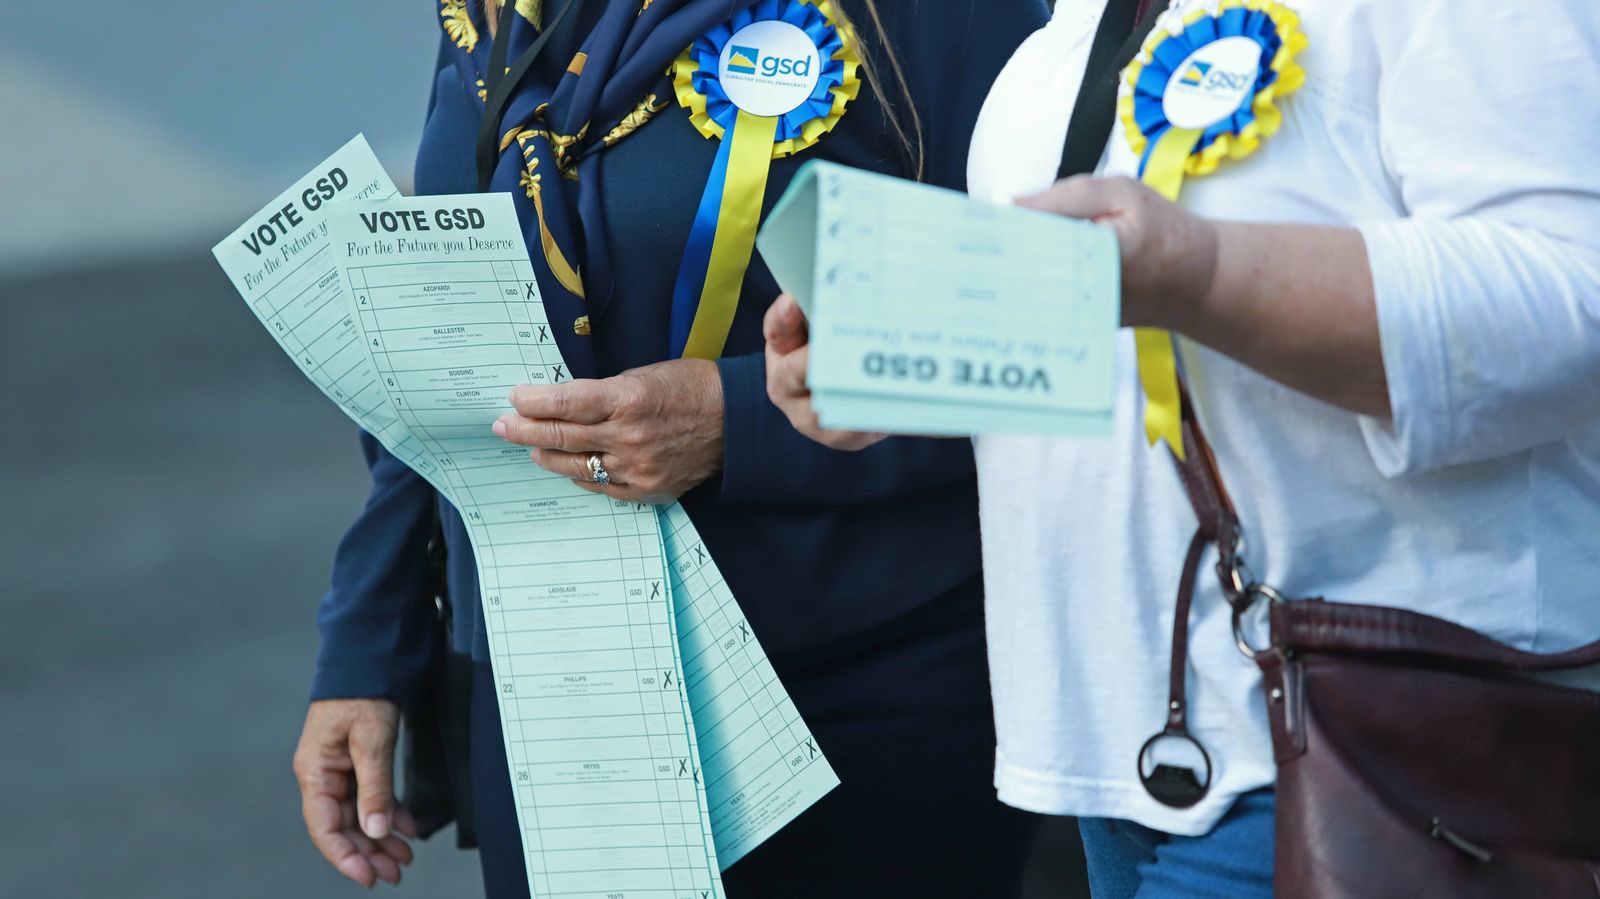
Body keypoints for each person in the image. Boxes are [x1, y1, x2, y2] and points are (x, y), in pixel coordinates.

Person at [765, 0, 1600, 895]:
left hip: (1366, 735)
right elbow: (1120, 327)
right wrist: (907, 351)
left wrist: (1203, 273)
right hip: (1123, 747)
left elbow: (1574, 294)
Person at [291, 0, 1052, 896]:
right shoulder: (498, 15)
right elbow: (444, 330)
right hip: (560, 688)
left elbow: (1046, 331)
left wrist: (739, 421)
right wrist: (369, 640)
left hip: (851, 689)